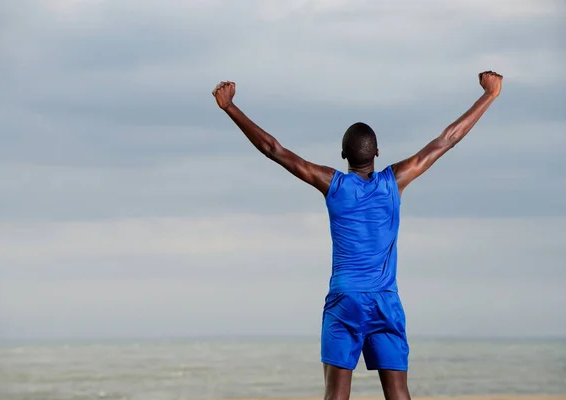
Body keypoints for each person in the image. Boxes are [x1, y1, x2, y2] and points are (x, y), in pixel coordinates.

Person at [212, 71, 503, 400]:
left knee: (336, 395)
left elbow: (274, 149)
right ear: (377, 153)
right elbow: (447, 140)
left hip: (344, 300)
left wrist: (230, 107)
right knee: (398, 393)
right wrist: (489, 95)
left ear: (342, 154)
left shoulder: (333, 184)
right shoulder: (394, 182)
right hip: (384, 300)